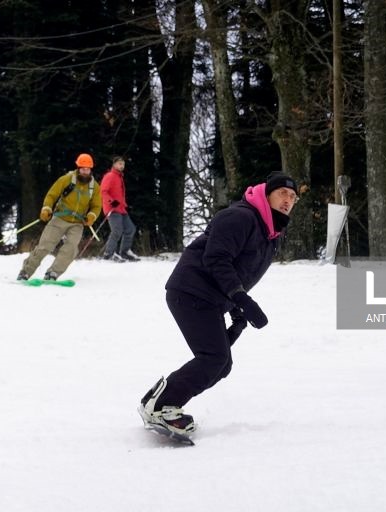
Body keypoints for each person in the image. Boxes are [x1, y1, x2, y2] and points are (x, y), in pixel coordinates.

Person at [138, 172, 299, 436]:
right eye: (282, 193)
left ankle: (157, 402)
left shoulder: (269, 235)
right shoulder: (241, 217)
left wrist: (237, 311)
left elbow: (240, 272)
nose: (288, 200)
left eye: (293, 197)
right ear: (266, 193)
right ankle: (161, 406)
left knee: (222, 364)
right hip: (191, 290)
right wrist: (241, 298)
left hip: (210, 298)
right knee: (214, 358)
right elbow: (216, 259)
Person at [17, 153, 102, 281]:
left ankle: (53, 273)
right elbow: (51, 195)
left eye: (88, 169)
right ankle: (25, 272)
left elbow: (97, 206)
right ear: (78, 168)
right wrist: (46, 208)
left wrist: (91, 216)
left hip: (78, 223)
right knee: (45, 246)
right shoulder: (66, 179)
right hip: (60, 218)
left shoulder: (94, 187)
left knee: (71, 248)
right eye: (83, 169)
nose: (85, 172)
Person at [100, 156, 139, 262]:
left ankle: (125, 252)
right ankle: (108, 254)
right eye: (119, 164)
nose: (122, 166)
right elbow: (103, 191)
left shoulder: (119, 177)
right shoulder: (110, 176)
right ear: (114, 164)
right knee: (117, 230)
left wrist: (123, 204)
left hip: (121, 208)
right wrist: (111, 202)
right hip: (112, 209)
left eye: (123, 164)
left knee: (130, 229)